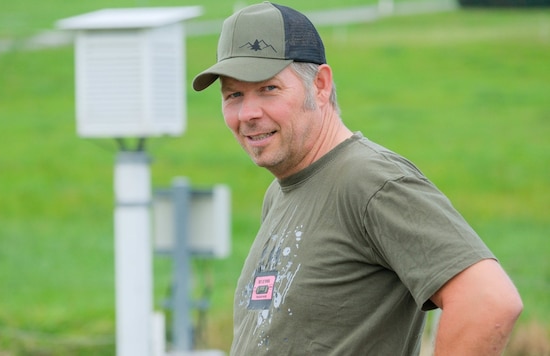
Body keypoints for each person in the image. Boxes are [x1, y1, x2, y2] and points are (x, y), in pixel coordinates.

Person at [192, 2, 523, 355]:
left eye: (269, 89)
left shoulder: (371, 182)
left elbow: (488, 300)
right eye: (234, 95)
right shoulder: (280, 192)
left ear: (319, 85)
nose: (248, 113)